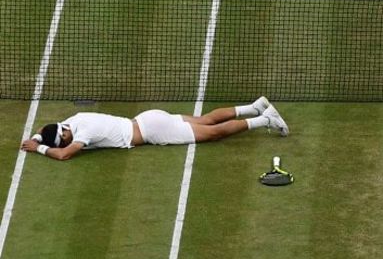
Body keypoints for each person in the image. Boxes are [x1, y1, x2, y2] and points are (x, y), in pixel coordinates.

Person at [20, 96, 288, 161]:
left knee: (212, 133)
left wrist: (40, 148)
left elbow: (65, 155)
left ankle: (265, 120)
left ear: (65, 134)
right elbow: (48, 130)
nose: (64, 144)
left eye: (62, 140)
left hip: (153, 132)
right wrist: (36, 137)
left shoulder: (82, 135)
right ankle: (255, 106)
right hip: (149, 117)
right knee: (205, 120)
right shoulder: (75, 118)